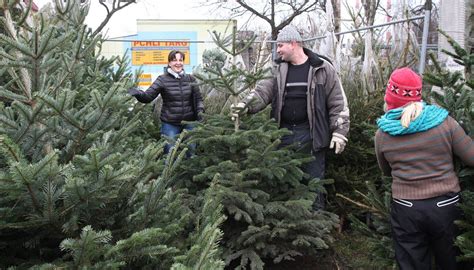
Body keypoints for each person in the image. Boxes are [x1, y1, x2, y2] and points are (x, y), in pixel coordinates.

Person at [230, 25, 350, 208]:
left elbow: (338, 102)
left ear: (294, 44)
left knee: (313, 184)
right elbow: (262, 92)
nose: (277, 50)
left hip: (311, 136)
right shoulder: (277, 69)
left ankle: (316, 227)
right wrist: (244, 106)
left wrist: (340, 132)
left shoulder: (322, 68)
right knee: (284, 183)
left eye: (280, 45)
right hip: (283, 134)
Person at [375, 67, 474, 270]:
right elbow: (471, 157)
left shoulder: (383, 134)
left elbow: (386, 172)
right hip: (446, 206)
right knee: (452, 263)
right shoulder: (445, 122)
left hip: (406, 209)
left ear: (390, 98)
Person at [128, 50, 204, 154]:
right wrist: (138, 94)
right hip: (170, 123)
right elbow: (148, 96)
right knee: (169, 153)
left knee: (191, 152)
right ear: (169, 63)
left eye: (180, 60)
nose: (178, 63)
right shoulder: (162, 79)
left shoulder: (190, 79)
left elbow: (198, 98)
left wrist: (200, 111)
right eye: (174, 60)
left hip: (190, 123)